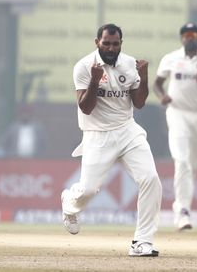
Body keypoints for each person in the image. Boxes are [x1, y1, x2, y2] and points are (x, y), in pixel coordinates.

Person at [61, 23, 162, 257]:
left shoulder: (129, 63)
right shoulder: (84, 67)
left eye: (115, 44)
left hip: (127, 131)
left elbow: (139, 103)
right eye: (106, 43)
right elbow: (85, 108)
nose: (110, 47)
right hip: (97, 134)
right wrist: (95, 81)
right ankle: (68, 203)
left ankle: (142, 242)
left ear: (121, 44)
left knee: (151, 179)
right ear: (97, 42)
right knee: (87, 190)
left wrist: (144, 77)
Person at [153, 22, 197, 231]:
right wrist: (162, 96)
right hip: (177, 113)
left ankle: (182, 206)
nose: (189, 38)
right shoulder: (171, 58)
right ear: (181, 38)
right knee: (181, 161)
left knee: (191, 168)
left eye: (193, 34)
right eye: (186, 35)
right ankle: (182, 212)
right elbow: (157, 84)